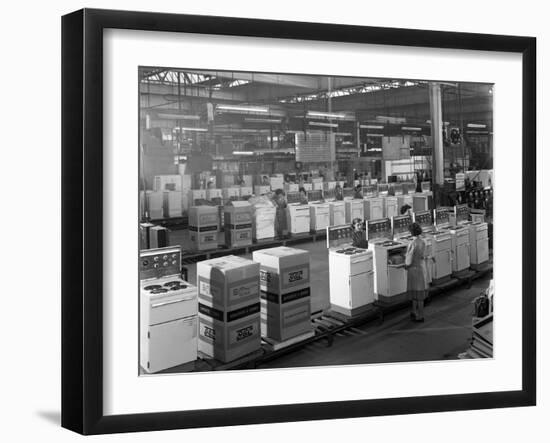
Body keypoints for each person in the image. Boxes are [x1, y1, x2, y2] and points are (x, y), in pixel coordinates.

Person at [404, 222, 428, 322]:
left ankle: (420, 315)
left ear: (410, 232)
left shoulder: (412, 244)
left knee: (416, 295)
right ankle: (414, 311)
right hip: (420, 268)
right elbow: (423, 255)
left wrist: (404, 265)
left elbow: (408, 261)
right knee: (418, 293)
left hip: (413, 271)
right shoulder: (422, 242)